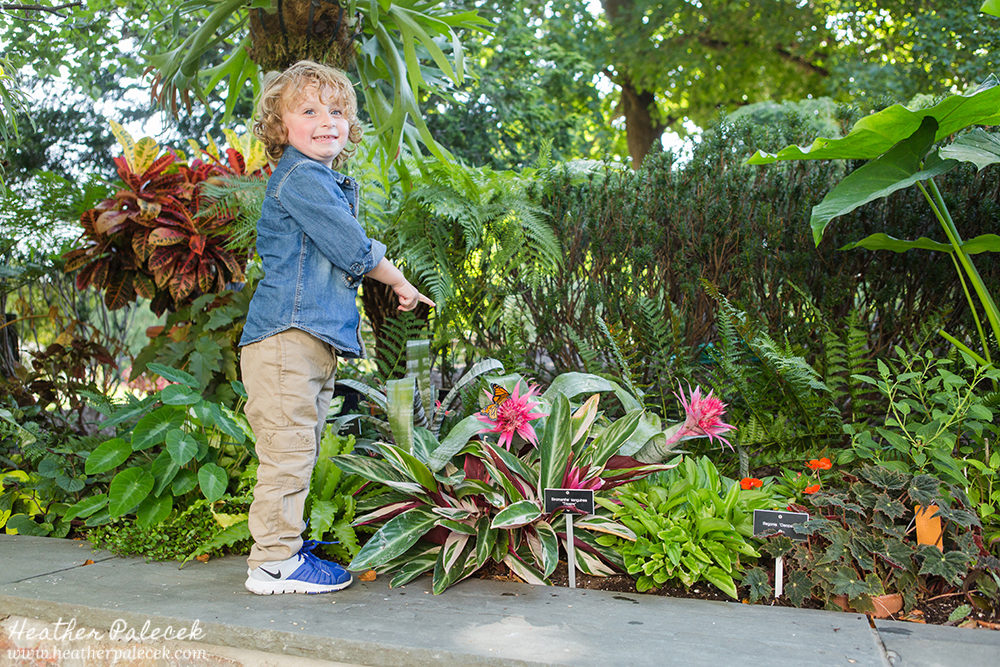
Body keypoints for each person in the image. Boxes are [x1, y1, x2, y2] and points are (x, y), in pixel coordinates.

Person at [239, 60, 434, 595]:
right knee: (288, 449)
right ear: (280, 127)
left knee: (300, 445)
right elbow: (350, 245)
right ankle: (274, 564)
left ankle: (286, 547)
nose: (327, 119)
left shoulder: (318, 178)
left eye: (338, 110)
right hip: (286, 340)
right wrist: (399, 281)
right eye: (308, 110)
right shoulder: (302, 178)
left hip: (308, 341)